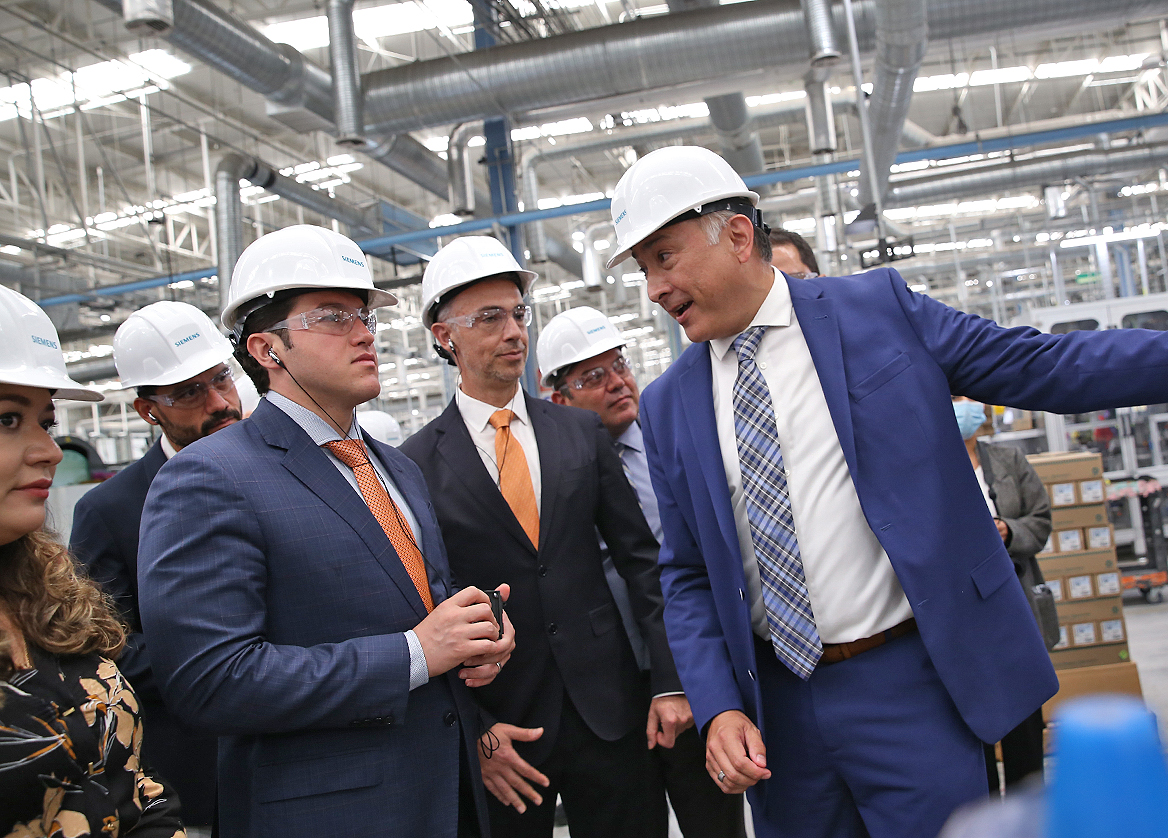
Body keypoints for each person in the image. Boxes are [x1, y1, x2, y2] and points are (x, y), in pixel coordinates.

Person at [607, 145, 1168, 838]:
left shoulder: (876, 313)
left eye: (664, 257)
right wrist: (720, 704)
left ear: (737, 235)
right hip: (776, 717)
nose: (654, 288)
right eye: (643, 269)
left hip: (909, 684)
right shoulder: (671, 404)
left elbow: (1051, 366)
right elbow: (686, 574)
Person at [137, 225, 512, 838]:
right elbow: (210, 681)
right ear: (267, 349)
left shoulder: (397, 469)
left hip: (447, 798)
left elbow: (419, 610)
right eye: (334, 317)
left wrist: (475, 637)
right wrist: (416, 654)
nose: (364, 333)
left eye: (364, 316)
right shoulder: (209, 478)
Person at [401, 236, 682, 838]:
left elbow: (642, 564)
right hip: (507, 728)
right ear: (444, 337)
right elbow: (421, 608)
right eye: (489, 318)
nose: (514, 332)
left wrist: (668, 682)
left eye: (518, 314)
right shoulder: (414, 464)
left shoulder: (579, 433)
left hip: (611, 711)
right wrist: (477, 732)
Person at [537, 306, 748, 838]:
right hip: (610, 697)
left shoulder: (671, 449)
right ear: (558, 399)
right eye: (593, 376)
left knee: (715, 823)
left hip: (695, 674)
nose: (617, 383)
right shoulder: (548, 478)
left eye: (619, 366)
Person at [0, 284, 185, 837]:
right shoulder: (111, 510)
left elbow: (126, 782)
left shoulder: (47, 593)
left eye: (46, 422)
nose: (50, 450)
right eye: (8, 420)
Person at [69, 301, 235, 835]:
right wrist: (227, 665)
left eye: (221, 379)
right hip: (196, 773)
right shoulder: (108, 511)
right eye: (189, 392)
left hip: (303, 758)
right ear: (148, 410)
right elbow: (107, 642)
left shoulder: (289, 474)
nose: (219, 402)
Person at [953, 397, 1052, 794]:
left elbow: (1040, 520)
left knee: (1024, 712)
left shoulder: (1008, 460)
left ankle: (1029, 810)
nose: (964, 407)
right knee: (974, 721)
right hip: (960, 608)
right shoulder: (928, 465)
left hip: (1013, 599)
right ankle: (987, 811)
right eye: (954, 399)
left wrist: (1009, 531)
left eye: (968, 398)